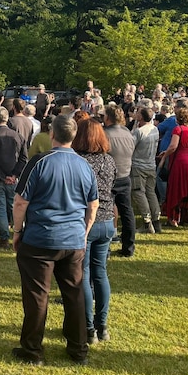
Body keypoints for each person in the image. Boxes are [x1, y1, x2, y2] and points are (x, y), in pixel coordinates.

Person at [12, 116, 98, 365]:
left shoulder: (40, 162)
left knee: (38, 296)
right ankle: (78, 348)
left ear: (52, 135)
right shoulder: (84, 165)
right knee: (74, 294)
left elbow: (20, 201)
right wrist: (84, 232)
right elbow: (93, 205)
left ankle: (33, 350)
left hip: (41, 239)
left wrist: (18, 232)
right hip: (72, 239)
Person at [72, 118, 116, 343]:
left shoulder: (78, 161)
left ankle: (89, 327)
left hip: (87, 221)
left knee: (85, 273)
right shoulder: (109, 161)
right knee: (100, 273)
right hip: (107, 220)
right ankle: (102, 325)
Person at [0, 107, 28, 249]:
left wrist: (4, 176)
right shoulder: (17, 136)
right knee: (14, 207)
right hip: (12, 178)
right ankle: (20, 235)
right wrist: (14, 175)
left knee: (1, 208)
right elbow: (24, 158)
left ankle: (4, 238)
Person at [104, 107, 136, 256]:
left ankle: (106, 247)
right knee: (127, 211)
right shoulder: (128, 133)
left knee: (105, 212)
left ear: (108, 118)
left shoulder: (105, 134)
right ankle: (129, 247)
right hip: (125, 175)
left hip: (109, 177)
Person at [160, 108, 188, 227]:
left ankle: (174, 218)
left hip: (179, 161)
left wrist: (164, 156)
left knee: (176, 188)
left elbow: (173, 146)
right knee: (187, 189)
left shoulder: (178, 129)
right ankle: (185, 217)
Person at [130, 107, 162, 234]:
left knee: (139, 192)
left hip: (139, 165)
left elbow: (130, 146)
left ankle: (147, 222)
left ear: (141, 117)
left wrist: (134, 128)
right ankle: (156, 220)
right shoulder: (155, 129)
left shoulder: (139, 131)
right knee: (151, 193)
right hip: (151, 165)